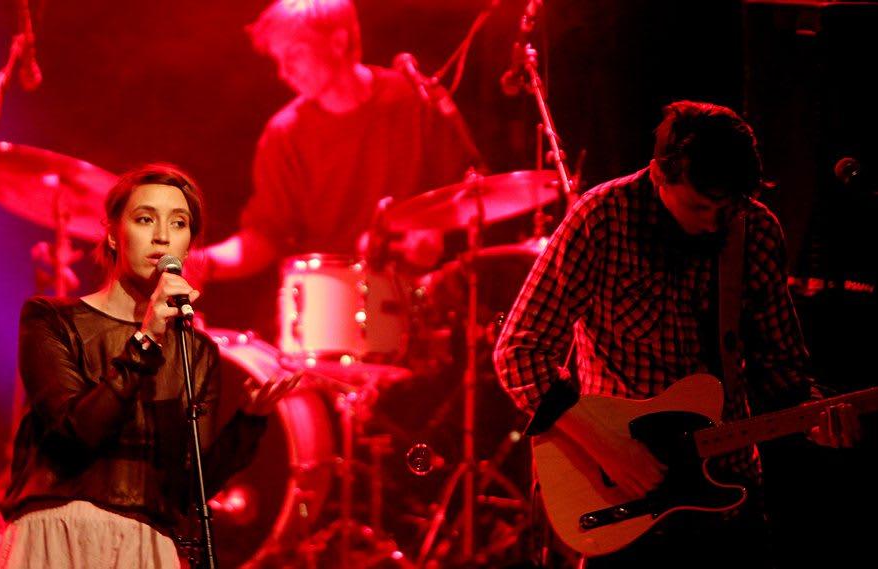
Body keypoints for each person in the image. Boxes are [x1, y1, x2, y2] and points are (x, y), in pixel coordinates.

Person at [492, 101, 861, 569]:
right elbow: (519, 350)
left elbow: (780, 368)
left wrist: (814, 415)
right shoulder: (602, 218)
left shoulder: (756, 230)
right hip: (623, 495)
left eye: (728, 208)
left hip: (729, 492)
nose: (714, 222)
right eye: (700, 206)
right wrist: (609, 447)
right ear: (659, 175)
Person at [0, 163, 301, 569]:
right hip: (55, 534)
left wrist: (249, 422)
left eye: (179, 223)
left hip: (145, 546)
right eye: (145, 219)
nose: (162, 236)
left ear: (189, 245)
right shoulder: (51, 319)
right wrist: (146, 340)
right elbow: (74, 436)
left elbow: (187, 489)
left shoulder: (196, 351)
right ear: (113, 234)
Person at [184, 0, 484, 286]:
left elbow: (477, 194)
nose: (284, 72)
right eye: (278, 60)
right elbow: (266, 235)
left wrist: (436, 230)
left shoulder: (417, 102)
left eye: (294, 55)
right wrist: (204, 263)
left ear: (338, 42)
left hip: (419, 296)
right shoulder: (284, 134)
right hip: (324, 304)